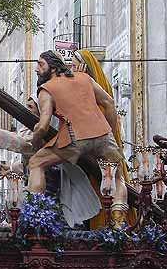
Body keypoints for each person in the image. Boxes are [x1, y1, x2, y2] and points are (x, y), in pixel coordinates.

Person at [29, 50, 128, 229]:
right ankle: (118, 225)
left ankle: (36, 219)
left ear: (52, 66)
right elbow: (109, 103)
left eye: (40, 64)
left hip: (75, 138)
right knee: (118, 179)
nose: (37, 69)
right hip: (103, 134)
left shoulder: (46, 90)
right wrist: (110, 133)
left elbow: (43, 126)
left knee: (36, 163)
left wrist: (33, 139)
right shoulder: (84, 78)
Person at [0, 96, 100, 228]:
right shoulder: (26, 129)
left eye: (30, 107)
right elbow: (27, 158)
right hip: (35, 180)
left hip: (50, 180)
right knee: (14, 204)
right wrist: (11, 168)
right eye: (26, 106)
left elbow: (22, 143)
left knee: (43, 211)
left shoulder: (42, 131)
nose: (26, 110)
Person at [71, 49, 136, 228]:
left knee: (116, 180)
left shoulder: (87, 82)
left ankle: (117, 222)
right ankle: (111, 222)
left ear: (85, 65)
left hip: (100, 140)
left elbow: (107, 106)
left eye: (75, 63)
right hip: (92, 142)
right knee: (106, 183)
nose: (71, 67)